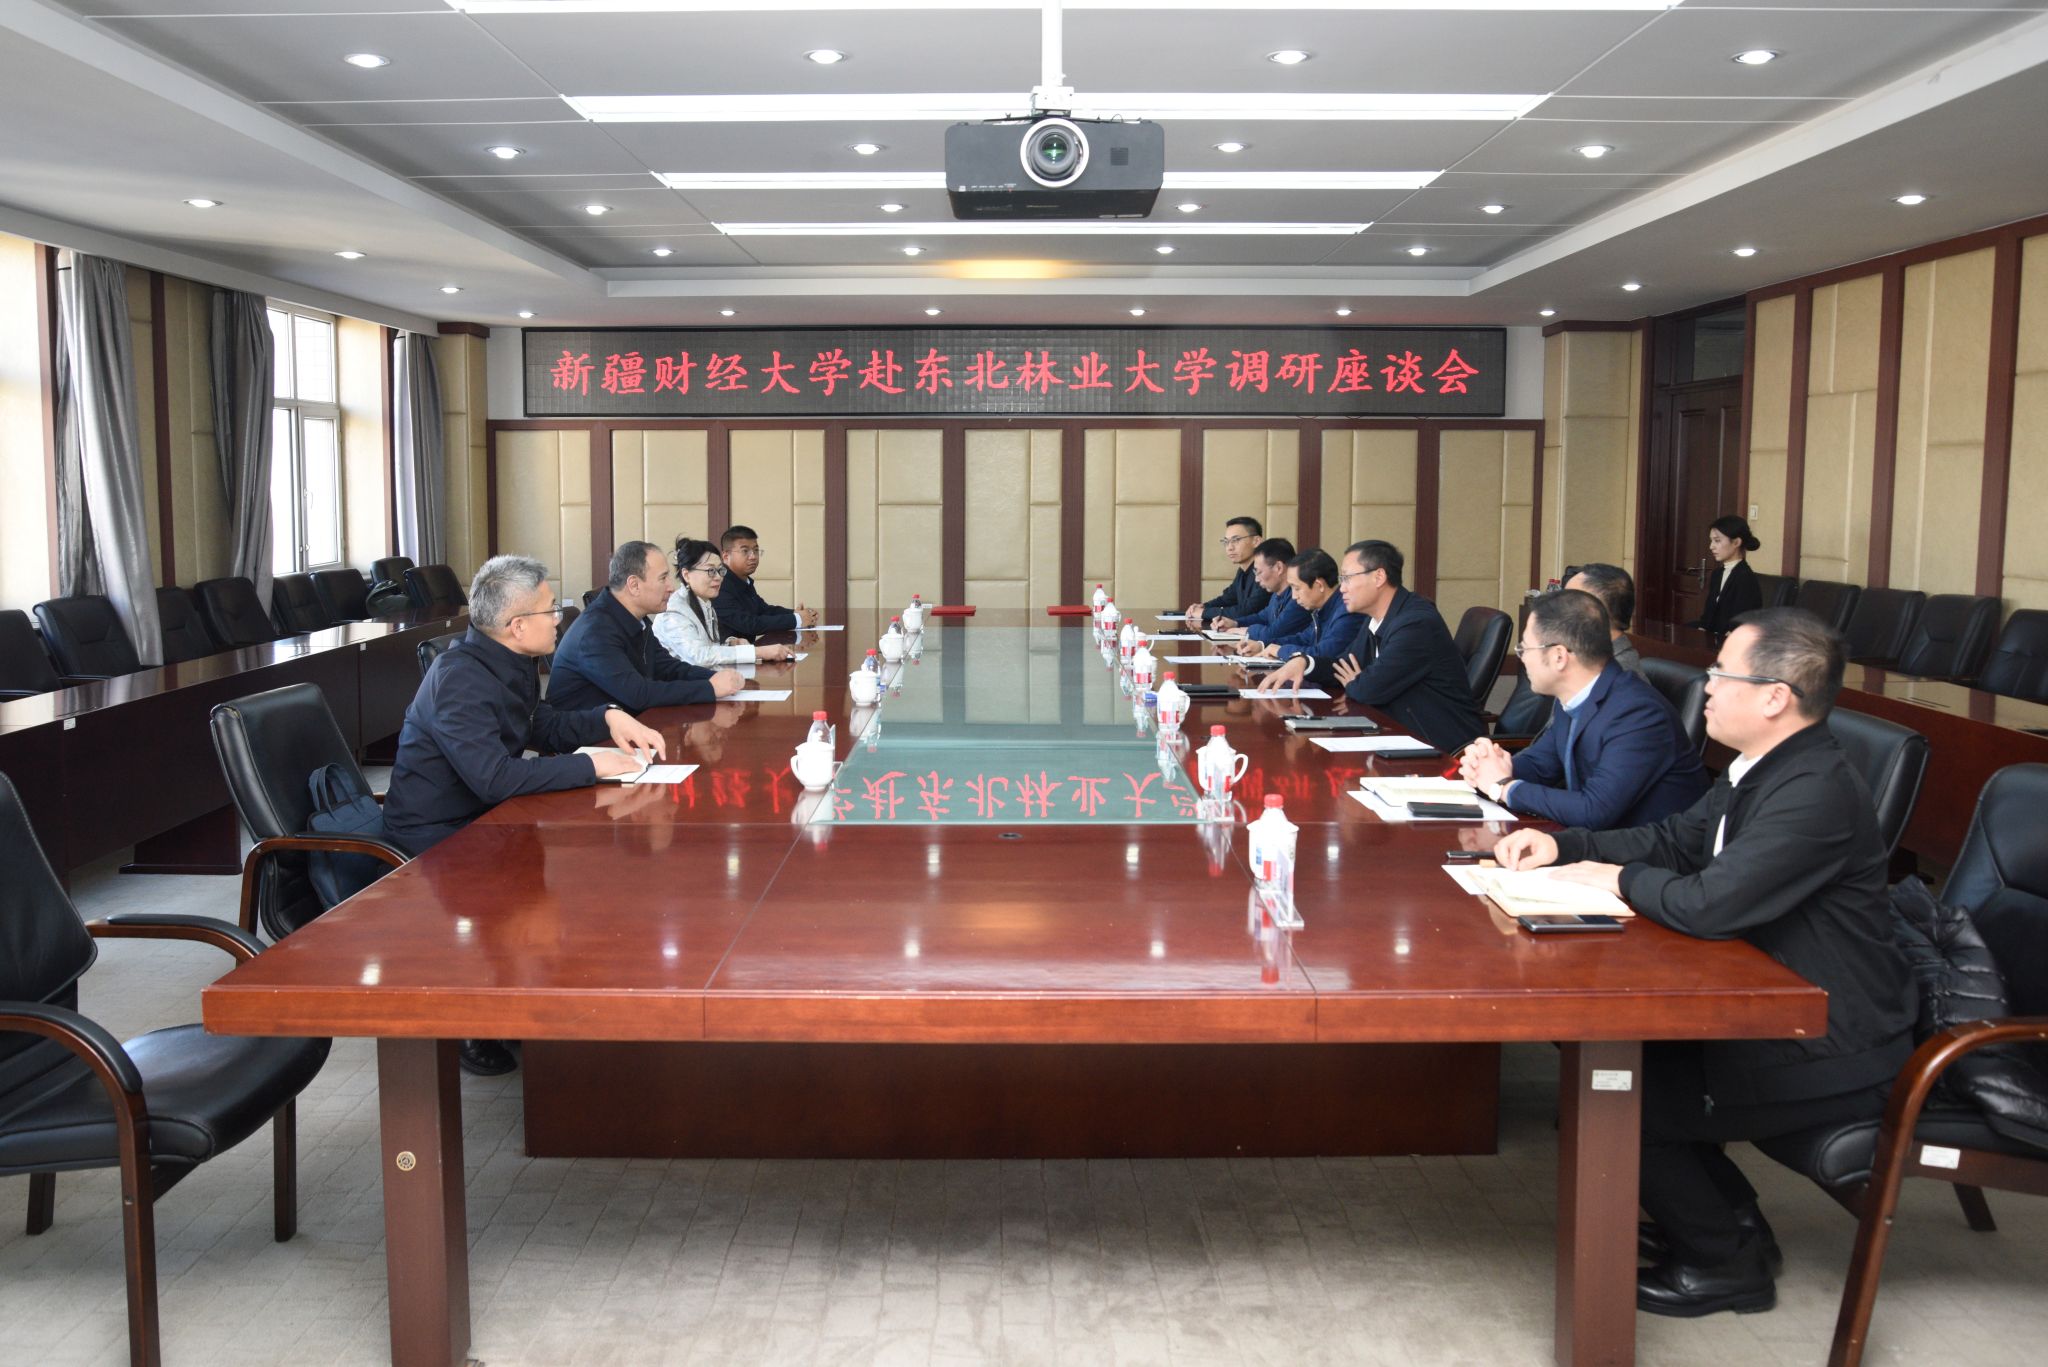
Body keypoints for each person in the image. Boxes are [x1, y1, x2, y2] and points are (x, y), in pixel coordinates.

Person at [1492, 608, 1914, 1318]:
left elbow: (1711, 903)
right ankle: (1736, 1230)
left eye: (1722, 674)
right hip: (1766, 994)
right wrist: (1566, 846)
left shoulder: (1813, 790)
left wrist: (1614, 879)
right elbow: (1675, 840)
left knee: (1620, 1091)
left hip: (1830, 1034)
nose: (1707, 686)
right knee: (1612, 1066)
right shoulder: (1760, 767)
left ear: (1775, 696)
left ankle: (1725, 1264)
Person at [382, 555, 667, 1076]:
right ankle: (469, 1016)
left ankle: (517, 995)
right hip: (438, 836)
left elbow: (541, 725)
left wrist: (608, 718)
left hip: (487, 817)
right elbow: (492, 777)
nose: (559, 618)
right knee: (550, 892)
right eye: (549, 610)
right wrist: (590, 766)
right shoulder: (460, 678)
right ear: (517, 626)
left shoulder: (507, 660)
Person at [1459, 590, 1708, 829]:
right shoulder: (1574, 696)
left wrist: (1503, 787)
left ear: (1559, 656)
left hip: (1645, 853)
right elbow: (1540, 765)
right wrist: (1490, 767)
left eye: (1524, 648)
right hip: (1593, 843)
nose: (1522, 658)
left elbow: (1595, 810)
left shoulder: (1638, 713)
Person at [1257, 540, 1485, 752]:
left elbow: (1368, 689)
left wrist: (1357, 681)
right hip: (1396, 730)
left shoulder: (1416, 623)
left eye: (1347, 578)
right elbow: (1343, 665)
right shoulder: (1376, 618)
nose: (1342, 588)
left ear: (1378, 577)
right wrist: (1304, 662)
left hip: (1441, 745)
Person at [548, 541, 743, 712]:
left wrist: (716, 677)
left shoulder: (636, 618)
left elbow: (666, 667)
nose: (671, 587)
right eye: (663, 578)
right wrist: (710, 688)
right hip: (593, 736)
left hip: (629, 723)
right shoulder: (595, 632)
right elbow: (638, 694)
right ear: (634, 585)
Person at [656, 537, 798, 668]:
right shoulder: (673, 611)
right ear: (686, 574)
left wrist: (730, 643)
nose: (718, 577)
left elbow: (709, 647)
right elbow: (700, 656)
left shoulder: (704, 602)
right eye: (711, 571)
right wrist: (758, 652)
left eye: (720, 570)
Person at [1237, 549, 1357, 676]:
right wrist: (1262, 646)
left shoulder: (1347, 611)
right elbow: (1303, 639)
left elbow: (1322, 654)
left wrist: (1280, 651)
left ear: (1319, 585)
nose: (1294, 597)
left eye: (1297, 588)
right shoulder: (1323, 607)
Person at [715, 524, 819, 638]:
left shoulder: (744, 581)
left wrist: (796, 613)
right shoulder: (719, 585)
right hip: (728, 649)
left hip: (748, 648)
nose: (753, 556)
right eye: (745, 551)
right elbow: (750, 624)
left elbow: (764, 610)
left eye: (755, 550)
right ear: (726, 556)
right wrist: (797, 619)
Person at [1218, 538, 1310, 647]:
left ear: (1279, 568)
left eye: (1259, 572)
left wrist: (1246, 630)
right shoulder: (1277, 593)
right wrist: (1235, 623)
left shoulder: (1298, 598)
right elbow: (1262, 617)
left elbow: (1273, 634)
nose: (1257, 580)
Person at [1184, 516, 1267, 629]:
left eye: (1236, 540)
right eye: (1226, 542)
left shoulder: (1265, 572)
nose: (1229, 547)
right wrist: (1203, 606)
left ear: (1256, 541)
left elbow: (1247, 611)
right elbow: (1228, 598)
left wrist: (1204, 613)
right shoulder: (1242, 571)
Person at [1566, 562, 1646, 677]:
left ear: (1596, 613)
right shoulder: (1589, 656)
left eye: (1568, 602)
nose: (1560, 610)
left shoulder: (1617, 676)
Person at [1689, 515, 1763, 637]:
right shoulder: (1717, 574)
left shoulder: (1745, 578)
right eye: (1711, 540)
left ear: (1736, 542)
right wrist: (1702, 629)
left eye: (1717, 540)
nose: (1711, 546)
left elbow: (1741, 624)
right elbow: (1709, 614)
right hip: (1713, 635)